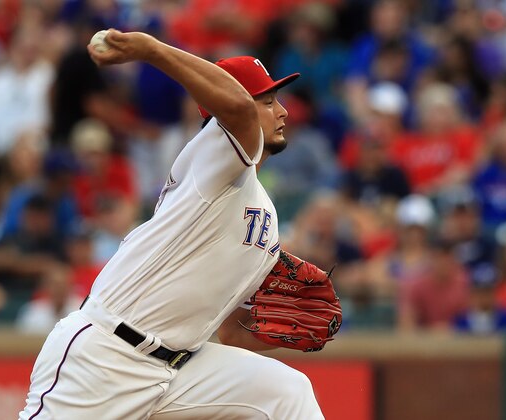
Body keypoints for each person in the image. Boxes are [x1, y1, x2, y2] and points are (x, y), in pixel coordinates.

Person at [20, 29, 325, 419]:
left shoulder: (265, 217)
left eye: (276, 100)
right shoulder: (214, 157)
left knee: (287, 392)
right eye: (267, 101)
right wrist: (150, 49)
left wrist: (284, 330)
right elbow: (237, 110)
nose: (281, 111)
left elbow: (231, 332)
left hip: (179, 369)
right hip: (106, 355)